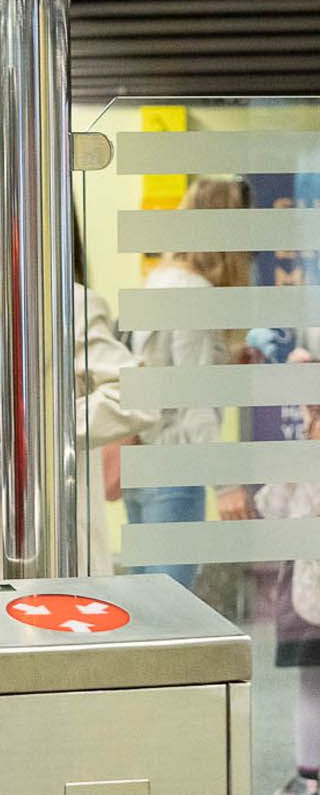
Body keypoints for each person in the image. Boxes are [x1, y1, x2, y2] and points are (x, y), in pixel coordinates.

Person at [0, 173, 154, 577]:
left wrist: (22, 424)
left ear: (25, 233)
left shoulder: (70, 308)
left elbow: (140, 397)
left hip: (38, 538)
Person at [122, 176, 253, 588]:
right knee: (171, 615)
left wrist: (224, 360)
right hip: (175, 471)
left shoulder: (161, 278)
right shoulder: (196, 293)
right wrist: (227, 484)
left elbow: (162, 373)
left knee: (148, 610)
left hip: (144, 466)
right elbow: (193, 402)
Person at [254, 406, 320, 795]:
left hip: (306, 597)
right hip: (306, 595)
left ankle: (308, 780)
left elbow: (270, 508)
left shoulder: (299, 462)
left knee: (312, 687)